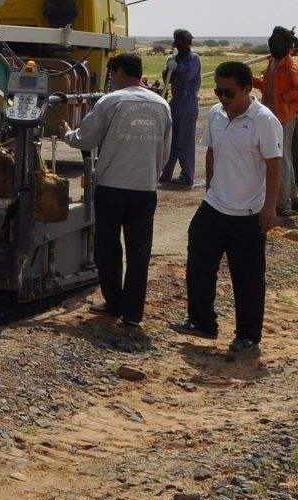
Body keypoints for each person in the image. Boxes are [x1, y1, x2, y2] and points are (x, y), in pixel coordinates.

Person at [170, 60, 281, 360]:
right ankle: (202, 322)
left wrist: (270, 207)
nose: (223, 98)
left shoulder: (264, 121)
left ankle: (247, 336)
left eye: (229, 92)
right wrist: (209, 188)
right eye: (219, 91)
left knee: (247, 278)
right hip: (214, 206)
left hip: (247, 214)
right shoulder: (217, 114)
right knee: (199, 263)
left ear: (247, 89)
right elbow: (212, 150)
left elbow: (274, 165)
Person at [64, 52, 171, 327]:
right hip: (145, 188)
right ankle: (133, 313)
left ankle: (114, 302)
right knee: (139, 251)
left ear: (122, 72)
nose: (111, 81)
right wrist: (152, 175)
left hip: (112, 187)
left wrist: (67, 133)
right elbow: (165, 150)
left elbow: (86, 138)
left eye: (112, 75)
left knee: (107, 248)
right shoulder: (162, 105)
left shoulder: (111, 102)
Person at [256, 26, 298, 218]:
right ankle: (291, 199)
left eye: (278, 40)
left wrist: (286, 97)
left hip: (284, 116)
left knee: (282, 158)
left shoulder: (290, 65)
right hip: (271, 115)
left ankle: (284, 202)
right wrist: (251, 80)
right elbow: (267, 85)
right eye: (272, 39)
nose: (273, 43)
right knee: (276, 157)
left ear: (286, 45)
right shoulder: (273, 62)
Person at [158, 29, 202, 187]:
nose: (179, 44)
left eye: (182, 40)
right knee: (171, 139)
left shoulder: (194, 59)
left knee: (186, 140)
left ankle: (187, 175)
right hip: (175, 102)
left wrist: (176, 67)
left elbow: (187, 75)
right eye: (177, 40)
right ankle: (166, 172)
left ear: (189, 42)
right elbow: (168, 80)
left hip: (188, 103)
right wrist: (167, 70)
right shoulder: (173, 58)